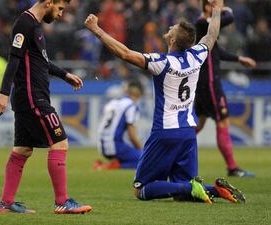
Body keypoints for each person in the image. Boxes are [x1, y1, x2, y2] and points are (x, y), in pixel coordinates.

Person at [85, 0, 246, 204]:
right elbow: (212, 35)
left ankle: (192, 186)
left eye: (172, 28)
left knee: (142, 189)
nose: (169, 27)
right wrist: (216, 11)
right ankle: (214, 189)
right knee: (181, 196)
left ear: (171, 40)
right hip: (188, 131)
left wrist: (96, 30)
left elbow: (124, 53)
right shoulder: (197, 56)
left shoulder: (161, 63)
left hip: (165, 132)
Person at [0, 0, 92, 214]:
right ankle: (62, 201)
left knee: (23, 149)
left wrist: (64, 75)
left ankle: (6, 203)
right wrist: (3, 92)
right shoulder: (25, 24)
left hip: (28, 98)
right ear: (48, 2)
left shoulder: (33, 26)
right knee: (60, 143)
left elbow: (40, 61)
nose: (60, 14)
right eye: (60, 9)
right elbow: (14, 59)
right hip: (32, 98)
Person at [195, 0, 256, 177]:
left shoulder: (205, 28)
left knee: (198, 124)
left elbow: (217, 52)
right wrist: (224, 10)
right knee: (222, 121)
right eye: (217, 2)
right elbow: (229, 17)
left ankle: (171, 154)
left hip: (203, 83)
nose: (221, 6)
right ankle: (232, 167)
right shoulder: (202, 24)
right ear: (208, 7)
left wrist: (239, 59)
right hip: (210, 83)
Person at [94, 79, 144, 170]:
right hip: (114, 145)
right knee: (146, 160)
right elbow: (132, 136)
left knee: (135, 156)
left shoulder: (114, 102)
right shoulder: (131, 106)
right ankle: (107, 167)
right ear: (138, 93)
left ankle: (113, 164)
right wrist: (142, 150)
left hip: (102, 145)